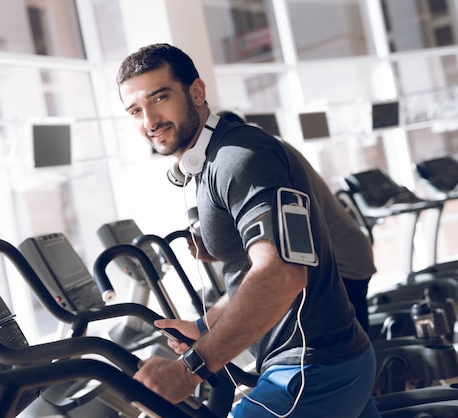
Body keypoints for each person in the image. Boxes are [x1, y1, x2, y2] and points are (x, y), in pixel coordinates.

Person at [116, 43, 380, 417]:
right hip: (330, 361)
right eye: (135, 111)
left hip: (308, 371)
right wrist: (205, 324)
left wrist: (190, 370)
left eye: (159, 98)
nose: (149, 120)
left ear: (196, 92)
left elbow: (282, 275)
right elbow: (252, 273)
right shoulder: (213, 163)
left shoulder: (239, 160)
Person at [215, 110, 376, 334]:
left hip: (342, 262)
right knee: (354, 341)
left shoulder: (262, 157)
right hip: (348, 251)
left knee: (348, 343)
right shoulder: (273, 147)